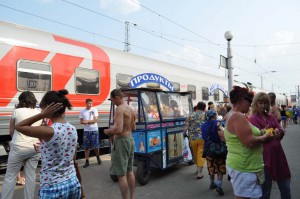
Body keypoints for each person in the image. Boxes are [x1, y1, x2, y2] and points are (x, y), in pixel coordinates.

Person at [15, 89, 81, 198]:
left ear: (48, 108)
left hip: (53, 187)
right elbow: (69, 155)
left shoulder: (50, 131)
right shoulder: (72, 128)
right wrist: (44, 148)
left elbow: (19, 127)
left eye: (42, 108)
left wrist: (42, 115)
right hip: (72, 182)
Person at [225, 86, 272, 199]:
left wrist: (260, 132)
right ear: (241, 100)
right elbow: (249, 142)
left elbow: (241, 136)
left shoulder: (233, 115)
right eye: (249, 101)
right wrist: (265, 136)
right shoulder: (238, 116)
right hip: (244, 167)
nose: (251, 104)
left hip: (244, 166)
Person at [249, 92, 291, 199]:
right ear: (255, 104)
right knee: (265, 191)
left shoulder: (271, 116)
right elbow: (254, 137)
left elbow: (280, 130)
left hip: (278, 156)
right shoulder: (252, 119)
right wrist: (264, 133)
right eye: (260, 103)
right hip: (264, 158)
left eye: (265, 103)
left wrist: (278, 132)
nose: (262, 105)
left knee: (285, 187)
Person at [1, 91, 41, 199]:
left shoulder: (16, 111)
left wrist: (15, 140)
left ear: (21, 100)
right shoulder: (38, 112)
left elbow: (11, 130)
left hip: (18, 147)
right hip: (35, 148)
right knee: (30, 175)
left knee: (10, 176)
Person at [104, 89, 136, 199]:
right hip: (130, 139)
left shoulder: (119, 109)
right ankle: (132, 197)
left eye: (113, 100)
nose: (113, 102)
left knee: (121, 175)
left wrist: (108, 131)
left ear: (117, 97)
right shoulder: (131, 109)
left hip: (122, 142)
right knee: (130, 171)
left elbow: (118, 129)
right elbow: (134, 127)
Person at [201, 109, 226, 196]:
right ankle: (219, 186)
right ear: (214, 115)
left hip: (208, 149)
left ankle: (212, 183)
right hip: (218, 148)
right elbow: (221, 135)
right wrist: (226, 143)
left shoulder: (203, 125)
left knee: (211, 166)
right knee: (220, 167)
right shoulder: (217, 123)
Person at [183, 101, 206, 179]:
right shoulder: (205, 115)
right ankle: (199, 173)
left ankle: (197, 169)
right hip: (202, 138)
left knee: (195, 154)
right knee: (201, 154)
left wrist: (183, 134)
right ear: (204, 108)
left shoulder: (191, 115)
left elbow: (186, 126)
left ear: (197, 107)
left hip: (192, 138)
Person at [79, 98, 102, 168]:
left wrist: (87, 121)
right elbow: (81, 121)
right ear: (86, 103)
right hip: (86, 131)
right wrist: (87, 121)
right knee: (86, 147)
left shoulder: (94, 109)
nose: (90, 105)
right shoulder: (82, 111)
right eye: (89, 103)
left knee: (96, 146)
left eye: (91, 103)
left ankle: (98, 158)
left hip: (94, 130)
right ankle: (87, 161)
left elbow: (96, 120)